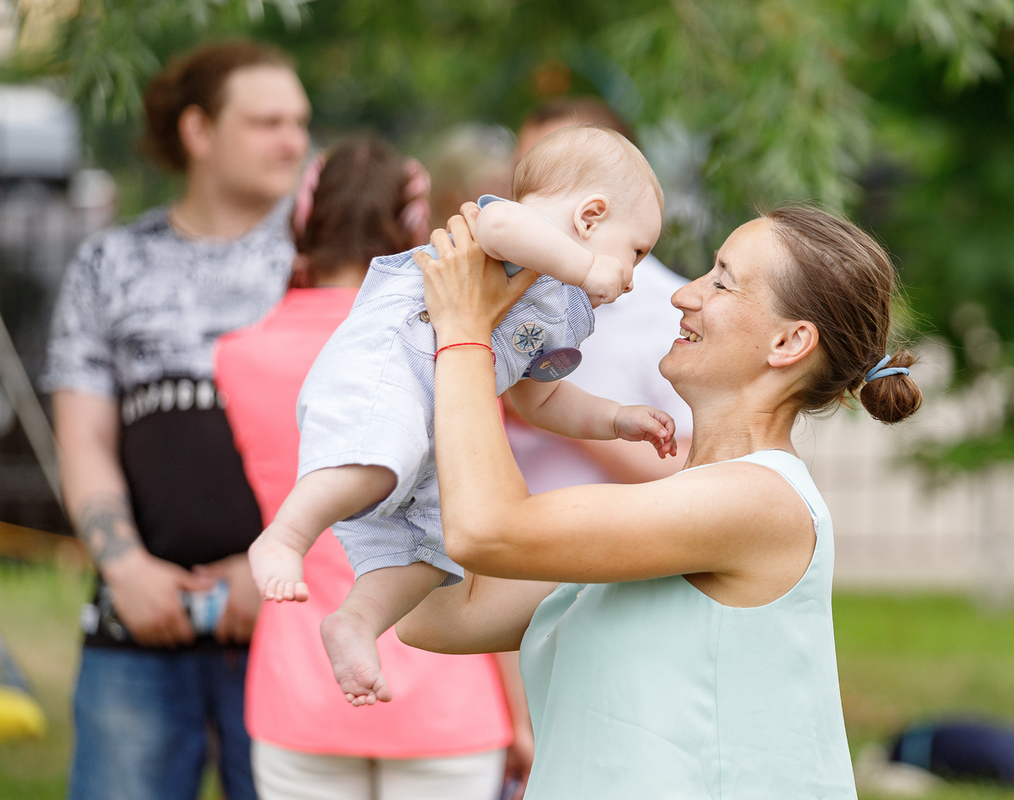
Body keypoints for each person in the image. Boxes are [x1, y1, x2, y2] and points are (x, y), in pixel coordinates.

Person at [396, 203, 922, 797]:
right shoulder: (666, 514)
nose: (683, 295)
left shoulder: (759, 500)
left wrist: (465, 333)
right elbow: (437, 615)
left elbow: (488, 530)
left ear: (788, 341)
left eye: (721, 281)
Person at [248, 123, 675, 706]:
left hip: (435, 424)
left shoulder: (566, 310)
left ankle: (355, 620)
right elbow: (499, 226)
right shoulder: (514, 230)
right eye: (636, 253)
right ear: (591, 216)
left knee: (437, 547)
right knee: (381, 461)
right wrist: (582, 267)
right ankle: (285, 536)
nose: (631, 278)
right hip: (393, 364)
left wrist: (614, 418)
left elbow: (538, 398)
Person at [214, 138, 530, 800]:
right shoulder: (449, 345)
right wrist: (521, 708)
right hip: (448, 688)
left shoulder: (240, 356)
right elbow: (478, 524)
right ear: (416, 229)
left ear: (304, 220)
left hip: (298, 687)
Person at [42, 40, 309, 800]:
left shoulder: (329, 264)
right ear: (198, 131)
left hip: (294, 625)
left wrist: (277, 565)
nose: (293, 141)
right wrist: (125, 568)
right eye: (267, 122)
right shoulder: (109, 262)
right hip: (136, 630)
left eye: (300, 121)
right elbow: (84, 435)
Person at [504, 98, 693, 489]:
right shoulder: (501, 256)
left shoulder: (674, 309)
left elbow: (687, 465)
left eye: (558, 180)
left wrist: (612, 420)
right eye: (527, 175)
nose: (533, 200)